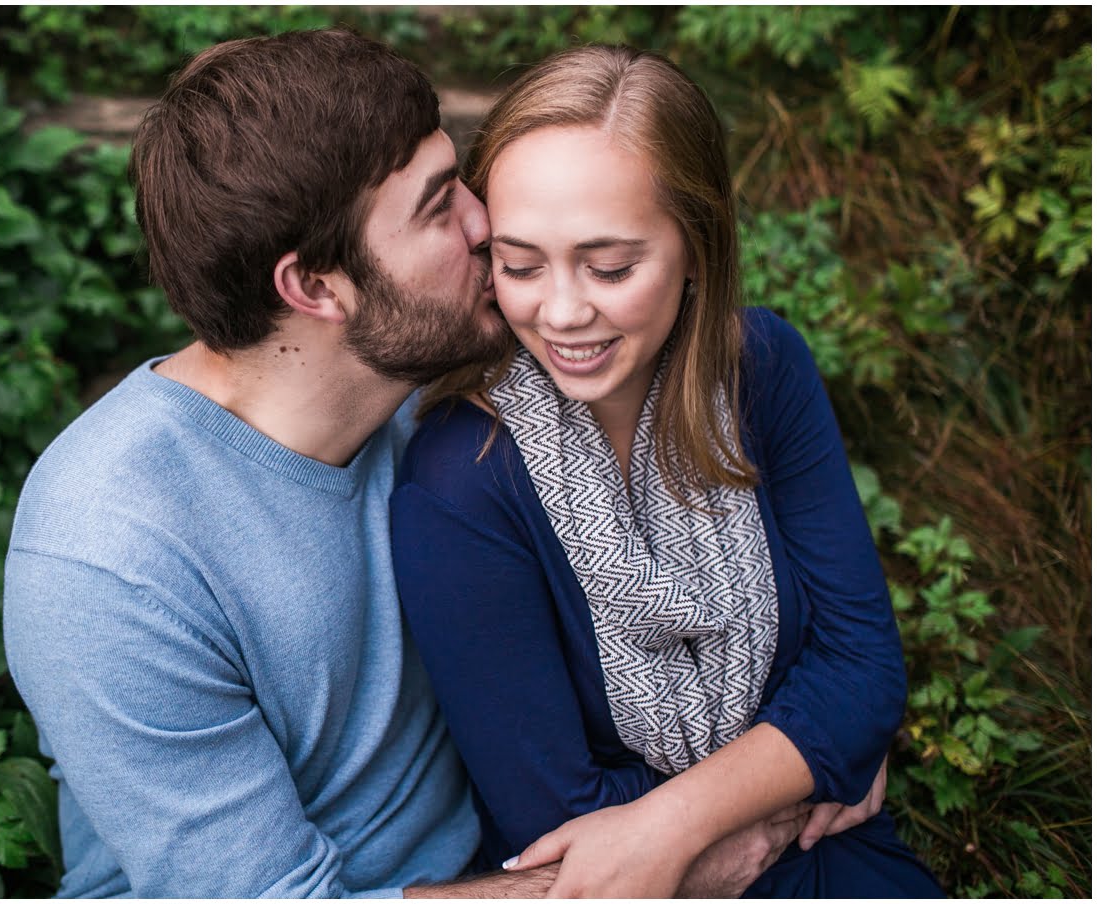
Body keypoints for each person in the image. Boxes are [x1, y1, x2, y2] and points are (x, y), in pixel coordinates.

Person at [3, 30, 792, 898]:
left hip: (514, 847)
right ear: (316, 289)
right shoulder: (111, 562)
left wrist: (778, 774)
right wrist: (679, 856)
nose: (486, 225)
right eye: (437, 206)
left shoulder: (458, 378)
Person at [390, 45, 944, 898]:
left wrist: (681, 821)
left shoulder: (762, 368)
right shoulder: (463, 478)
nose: (563, 311)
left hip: (837, 850)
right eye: (520, 264)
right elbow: (558, 818)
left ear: (697, 246)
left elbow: (863, 667)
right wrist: (806, 772)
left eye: (611, 267)